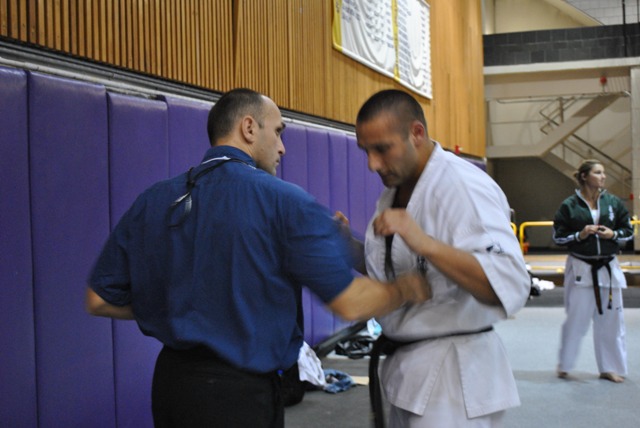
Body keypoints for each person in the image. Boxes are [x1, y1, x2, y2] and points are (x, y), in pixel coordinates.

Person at [85, 88, 430, 428]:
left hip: (170, 387)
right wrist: (407, 288)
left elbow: (99, 300)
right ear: (249, 128)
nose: (282, 147)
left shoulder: (154, 199)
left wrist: (177, 307)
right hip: (238, 396)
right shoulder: (284, 202)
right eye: (278, 132)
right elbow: (351, 303)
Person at [354, 89, 530, 427]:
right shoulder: (397, 190)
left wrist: (426, 244)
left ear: (416, 133)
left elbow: (509, 281)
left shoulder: (461, 186)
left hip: (454, 378)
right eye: (366, 151)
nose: (372, 164)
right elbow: (398, 268)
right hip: (414, 371)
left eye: (382, 149)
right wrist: (343, 244)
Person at [552, 159, 633, 383]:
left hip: (608, 266)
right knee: (576, 320)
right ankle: (565, 364)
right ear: (584, 176)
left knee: (612, 320)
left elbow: (628, 231)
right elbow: (558, 236)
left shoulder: (613, 202)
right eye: (598, 172)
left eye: (603, 173)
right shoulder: (569, 205)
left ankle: (610, 367)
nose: (603, 176)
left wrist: (613, 235)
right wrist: (581, 234)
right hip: (581, 266)